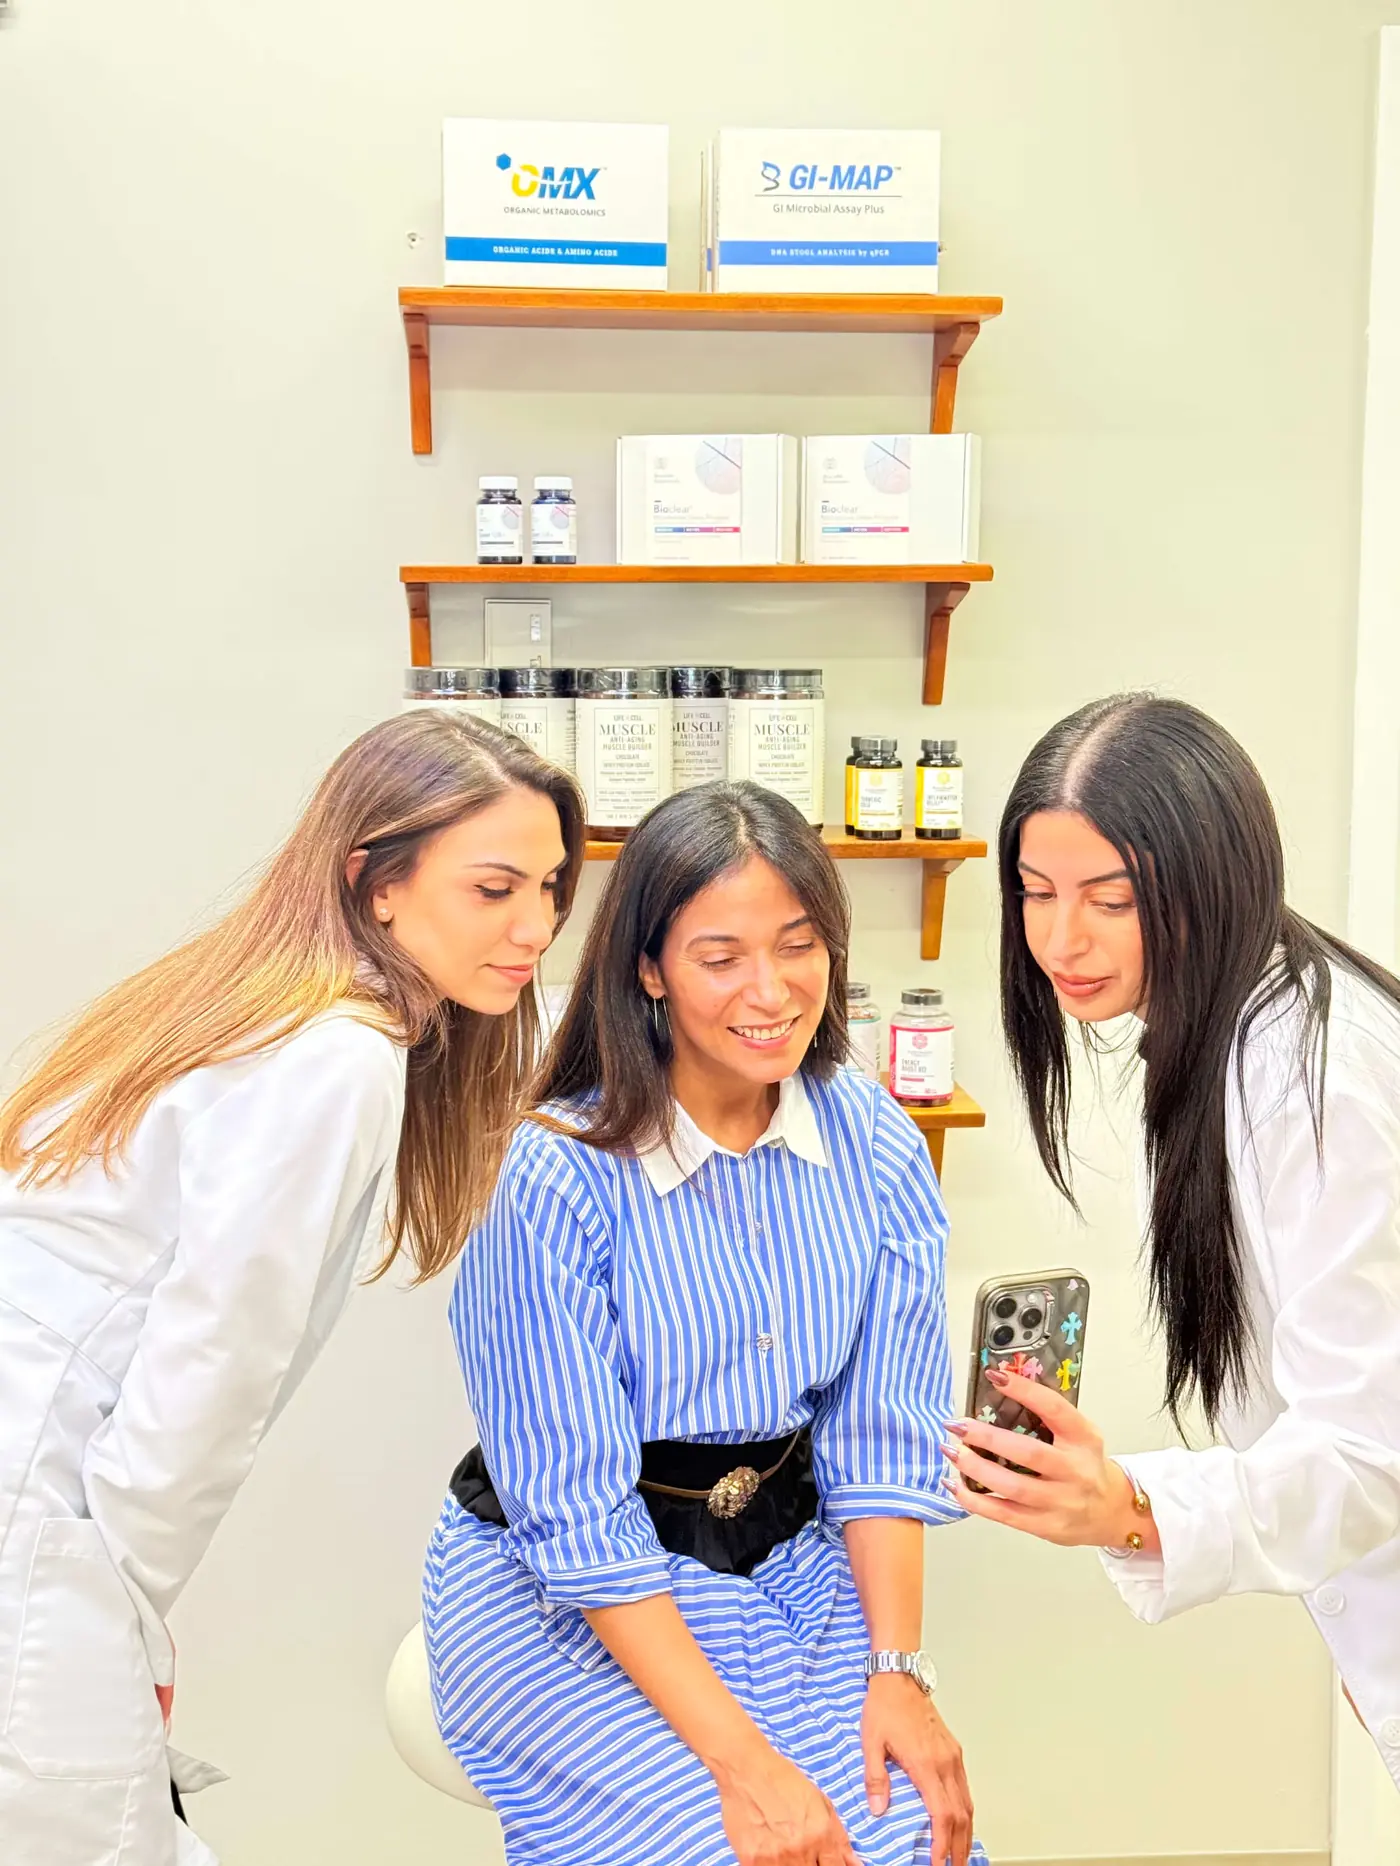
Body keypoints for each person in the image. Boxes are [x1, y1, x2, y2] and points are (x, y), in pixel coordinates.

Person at [0, 710, 584, 1866]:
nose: (537, 928)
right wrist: (129, 1628)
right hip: (41, 1525)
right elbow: (211, 1372)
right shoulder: (334, 1058)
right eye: (495, 890)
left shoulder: (255, 1007)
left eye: (552, 888)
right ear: (374, 883)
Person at [425, 780, 987, 1866]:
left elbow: (877, 1444)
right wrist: (744, 1765)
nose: (771, 991)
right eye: (719, 956)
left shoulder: (869, 1134)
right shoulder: (553, 1174)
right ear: (647, 969)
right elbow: (575, 1520)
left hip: (789, 1572)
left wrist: (898, 1676)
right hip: (573, 1604)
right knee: (743, 1845)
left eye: (798, 945)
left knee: (914, 1834)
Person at [941, 693, 1400, 1791]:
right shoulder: (1231, 1031)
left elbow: (1370, 1449)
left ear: (1213, 877)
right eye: (1035, 894)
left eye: (1111, 899)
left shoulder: (1313, 1080)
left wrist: (1132, 1509)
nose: (1060, 939)